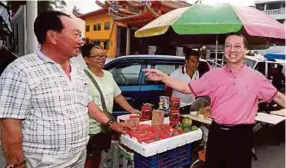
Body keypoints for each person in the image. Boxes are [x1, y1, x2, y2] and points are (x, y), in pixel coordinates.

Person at [0, 11, 129, 168]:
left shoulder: (77, 69)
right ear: (53, 36)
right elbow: (9, 123)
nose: (81, 41)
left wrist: (110, 123)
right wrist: (18, 163)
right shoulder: (20, 71)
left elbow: (87, 103)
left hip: (79, 155)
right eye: (76, 35)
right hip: (45, 161)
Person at [144, 33, 285, 168]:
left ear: (245, 50)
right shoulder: (213, 76)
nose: (232, 50)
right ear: (224, 50)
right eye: (228, 46)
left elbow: (277, 96)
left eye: (237, 46)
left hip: (241, 137)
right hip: (217, 134)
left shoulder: (256, 78)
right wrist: (164, 78)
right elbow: (186, 88)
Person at [81, 44, 140, 168]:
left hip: (106, 127)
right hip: (89, 130)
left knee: (98, 157)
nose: (102, 58)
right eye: (97, 56)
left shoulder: (108, 75)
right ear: (86, 59)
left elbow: (117, 96)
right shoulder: (81, 77)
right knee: (87, 160)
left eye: (103, 55)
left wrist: (132, 110)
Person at [165, 48, 200, 113]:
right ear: (186, 61)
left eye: (197, 61)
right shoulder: (175, 74)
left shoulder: (197, 73)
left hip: (191, 107)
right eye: (192, 61)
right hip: (178, 107)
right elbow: (167, 92)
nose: (195, 64)